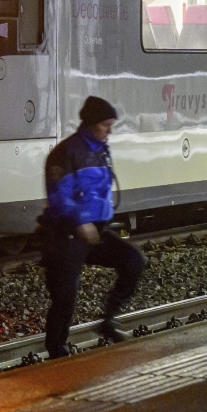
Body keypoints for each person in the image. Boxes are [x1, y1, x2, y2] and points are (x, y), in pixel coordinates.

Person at [40, 96, 146, 359]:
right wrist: (79, 221)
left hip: (93, 233)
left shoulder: (101, 149)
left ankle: (108, 320)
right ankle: (57, 352)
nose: (110, 131)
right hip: (65, 235)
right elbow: (59, 196)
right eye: (106, 125)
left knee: (134, 261)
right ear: (91, 124)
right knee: (65, 298)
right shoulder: (66, 153)